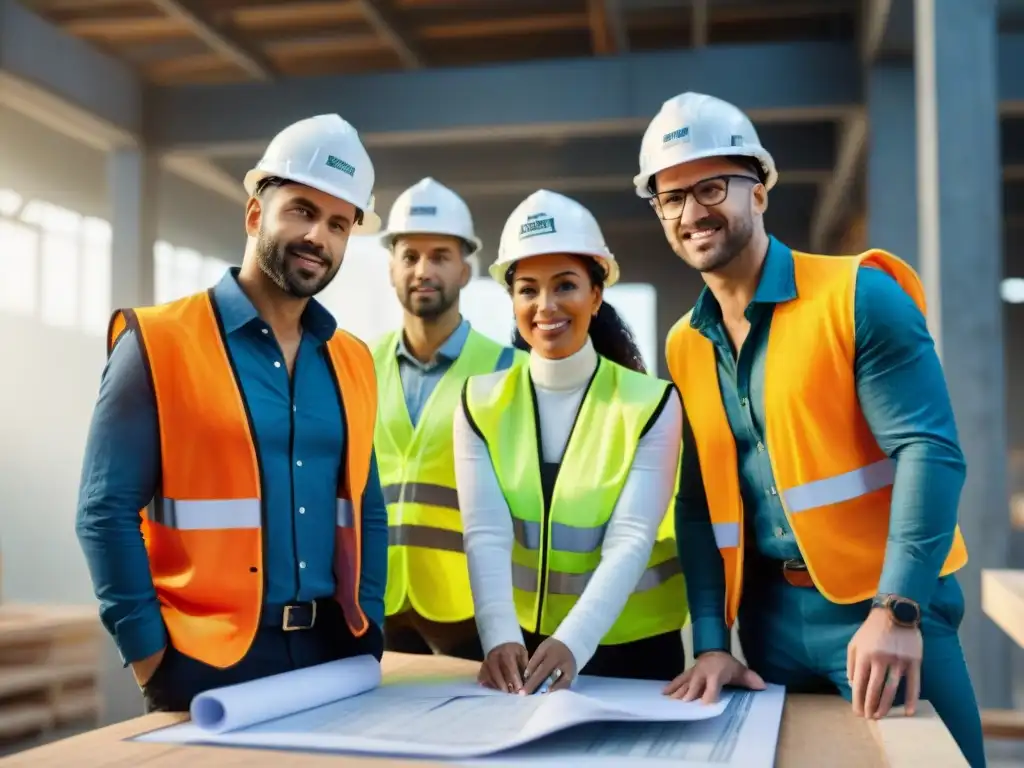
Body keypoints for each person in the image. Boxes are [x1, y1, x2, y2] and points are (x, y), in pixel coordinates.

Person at [636, 92, 985, 766]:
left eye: (711, 188)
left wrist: (899, 610)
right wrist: (713, 639)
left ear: (759, 192)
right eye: (670, 198)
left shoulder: (857, 296)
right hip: (770, 631)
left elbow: (929, 452)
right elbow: (699, 503)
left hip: (884, 613)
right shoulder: (685, 343)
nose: (691, 212)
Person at [75, 114, 390, 713]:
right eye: (301, 210)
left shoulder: (352, 359)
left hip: (334, 653)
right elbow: (103, 511)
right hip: (204, 659)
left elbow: (366, 507)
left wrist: (368, 625)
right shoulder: (158, 342)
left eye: (338, 224)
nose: (318, 237)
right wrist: (150, 656)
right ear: (255, 215)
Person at [453, 189, 688, 694]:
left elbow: (631, 538)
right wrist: (497, 637)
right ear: (511, 298)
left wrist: (573, 643)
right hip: (519, 649)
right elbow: (485, 534)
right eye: (528, 289)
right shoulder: (479, 401)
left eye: (566, 286)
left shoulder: (651, 403)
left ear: (596, 295)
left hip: (635, 650)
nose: (546, 306)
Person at [373, 177, 525, 661]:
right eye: (410, 256)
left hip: (474, 611)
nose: (423, 269)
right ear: (392, 267)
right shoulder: (357, 365)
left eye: (439, 256)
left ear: (465, 270)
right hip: (379, 605)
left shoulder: (510, 371)